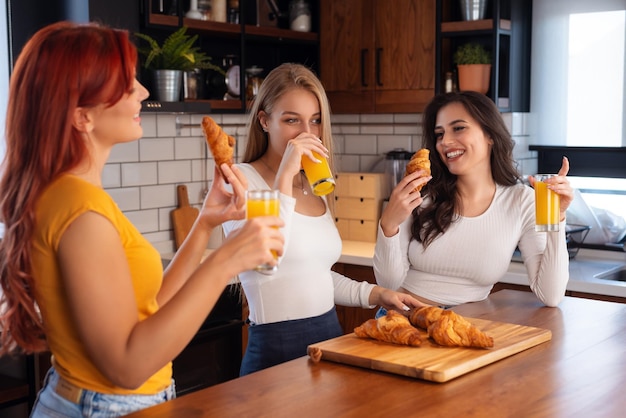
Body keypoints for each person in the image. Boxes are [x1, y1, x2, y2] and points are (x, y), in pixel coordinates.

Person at [0, 21, 283, 417]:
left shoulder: (71, 195)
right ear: (82, 116)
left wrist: (204, 225)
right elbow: (128, 366)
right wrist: (226, 261)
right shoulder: (82, 214)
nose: (144, 92)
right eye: (128, 84)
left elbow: (148, 309)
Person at [221, 63, 425, 376]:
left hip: (330, 340)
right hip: (276, 351)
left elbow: (314, 276)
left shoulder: (313, 186)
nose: (307, 133)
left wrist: (375, 294)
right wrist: (286, 173)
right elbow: (266, 261)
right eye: (292, 120)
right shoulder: (240, 180)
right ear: (264, 120)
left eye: (315, 121)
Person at [374, 91, 574, 310]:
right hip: (404, 322)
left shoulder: (521, 201)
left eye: (458, 128)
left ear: (490, 134)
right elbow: (388, 284)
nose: (445, 142)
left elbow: (551, 295)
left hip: (462, 329)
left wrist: (557, 218)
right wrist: (389, 225)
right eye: (439, 134)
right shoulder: (420, 194)